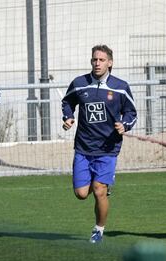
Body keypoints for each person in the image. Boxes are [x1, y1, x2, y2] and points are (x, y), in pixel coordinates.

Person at [61, 45, 137, 243]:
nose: (97, 63)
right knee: (81, 193)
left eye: (102, 60)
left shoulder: (120, 87)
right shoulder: (79, 83)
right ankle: (100, 187)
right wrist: (68, 117)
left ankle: (98, 229)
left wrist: (125, 125)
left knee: (99, 190)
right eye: (94, 59)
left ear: (110, 63)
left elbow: (131, 112)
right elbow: (67, 102)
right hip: (83, 148)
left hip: (108, 148)